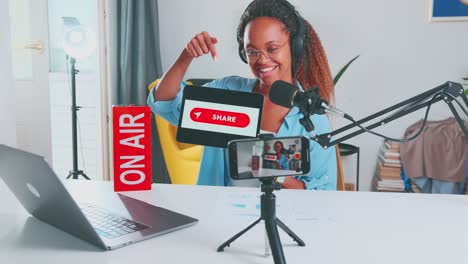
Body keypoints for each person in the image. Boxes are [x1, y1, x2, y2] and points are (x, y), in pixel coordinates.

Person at [148, 0, 337, 190]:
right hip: (221, 214)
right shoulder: (227, 92)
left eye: (272, 48)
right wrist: (186, 56)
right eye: (252, 51)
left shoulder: (310, 115)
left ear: (294, 47)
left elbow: (322, 191)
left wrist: (271, 172)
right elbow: (164, 103)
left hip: (282, 218)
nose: (262, 60)